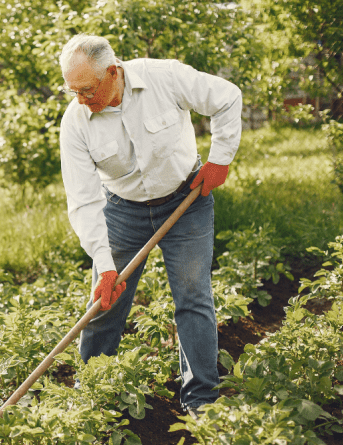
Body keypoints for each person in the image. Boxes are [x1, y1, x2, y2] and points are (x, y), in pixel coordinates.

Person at [57, 34, 242, 418]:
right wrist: (105, 264)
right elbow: (84, 199)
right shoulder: (76, 121)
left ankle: (201, 400)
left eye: (87, 90)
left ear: (113, 72)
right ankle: (92, 391)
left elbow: (227, 97)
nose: (80, 100)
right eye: (72, 91)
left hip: (185, 200)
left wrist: (220, 158)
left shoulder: (164, 77)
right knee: (105, 301)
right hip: (122, 211)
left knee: (193, 297)